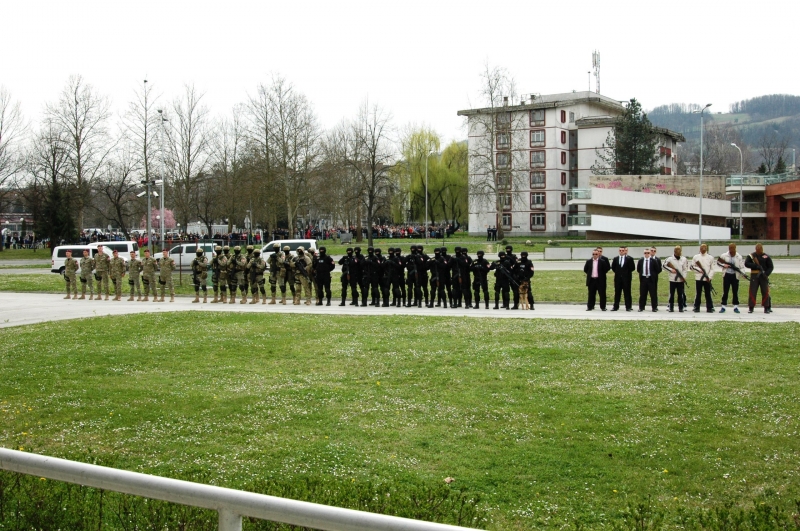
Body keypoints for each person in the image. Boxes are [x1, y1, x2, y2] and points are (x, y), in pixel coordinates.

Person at [744, 243, 774, 313]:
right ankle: (751, 307)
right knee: (752, 291)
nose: (758, 251)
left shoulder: (766, 256)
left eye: (759, 249)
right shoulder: (752, 256)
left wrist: (766, 274)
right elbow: (746, 263)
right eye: (757, 249)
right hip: (754, 275)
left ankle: (766, 307)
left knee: (765, 291)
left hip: (763, 276)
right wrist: (756, 266)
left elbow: (771, 267)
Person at [717, 243, 745, 313]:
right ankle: (723, 306)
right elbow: (718, 263)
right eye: (730, 248)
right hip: (727, 275)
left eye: (733, 248)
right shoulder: (724, 255)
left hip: (735, 276)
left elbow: (741, 267)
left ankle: (735, 306)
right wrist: (724, 265)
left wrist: (743, 274)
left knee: (735, 291)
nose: (731, 250)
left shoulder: (739, 256)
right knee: (725, 291)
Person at [663, 246, 689, 312]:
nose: (678, 254)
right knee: (672, 294)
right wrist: (671, 270)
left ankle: (681, 308)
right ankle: (671, 307)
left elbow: (685, 269)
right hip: (672, 279)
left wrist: (683, 277)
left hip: (680, 280)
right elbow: (664, 266)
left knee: (680, 294)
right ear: (674, 252)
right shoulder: (669, 259)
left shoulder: (683, 259)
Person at [691, 244, 715, 313]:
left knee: (708, 293)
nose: (703, 249)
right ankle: (696, 307)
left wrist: (709, 277)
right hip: (699, 278)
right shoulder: (696, 257)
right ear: (700, 249)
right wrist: (699, 270)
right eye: (702, 248)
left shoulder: (710, 257)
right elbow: (692, 267)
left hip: (707, 278)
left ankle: (709, 307)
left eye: (704, 248)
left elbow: (712, 269)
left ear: (706, 249)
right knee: (698, 293)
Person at [611, 246, 635, 311]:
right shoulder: (615, 258)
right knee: (617, 293)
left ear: (625, 251)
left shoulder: (629, 259)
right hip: (618, 279)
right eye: (620, 250)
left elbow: (632, 268)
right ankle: (615, 307)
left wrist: (626, 273)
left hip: (626, 279)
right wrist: (619, 273)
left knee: (627, 293)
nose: (621, 251)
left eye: (623, 250)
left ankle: (628, 307)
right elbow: (613, 267)